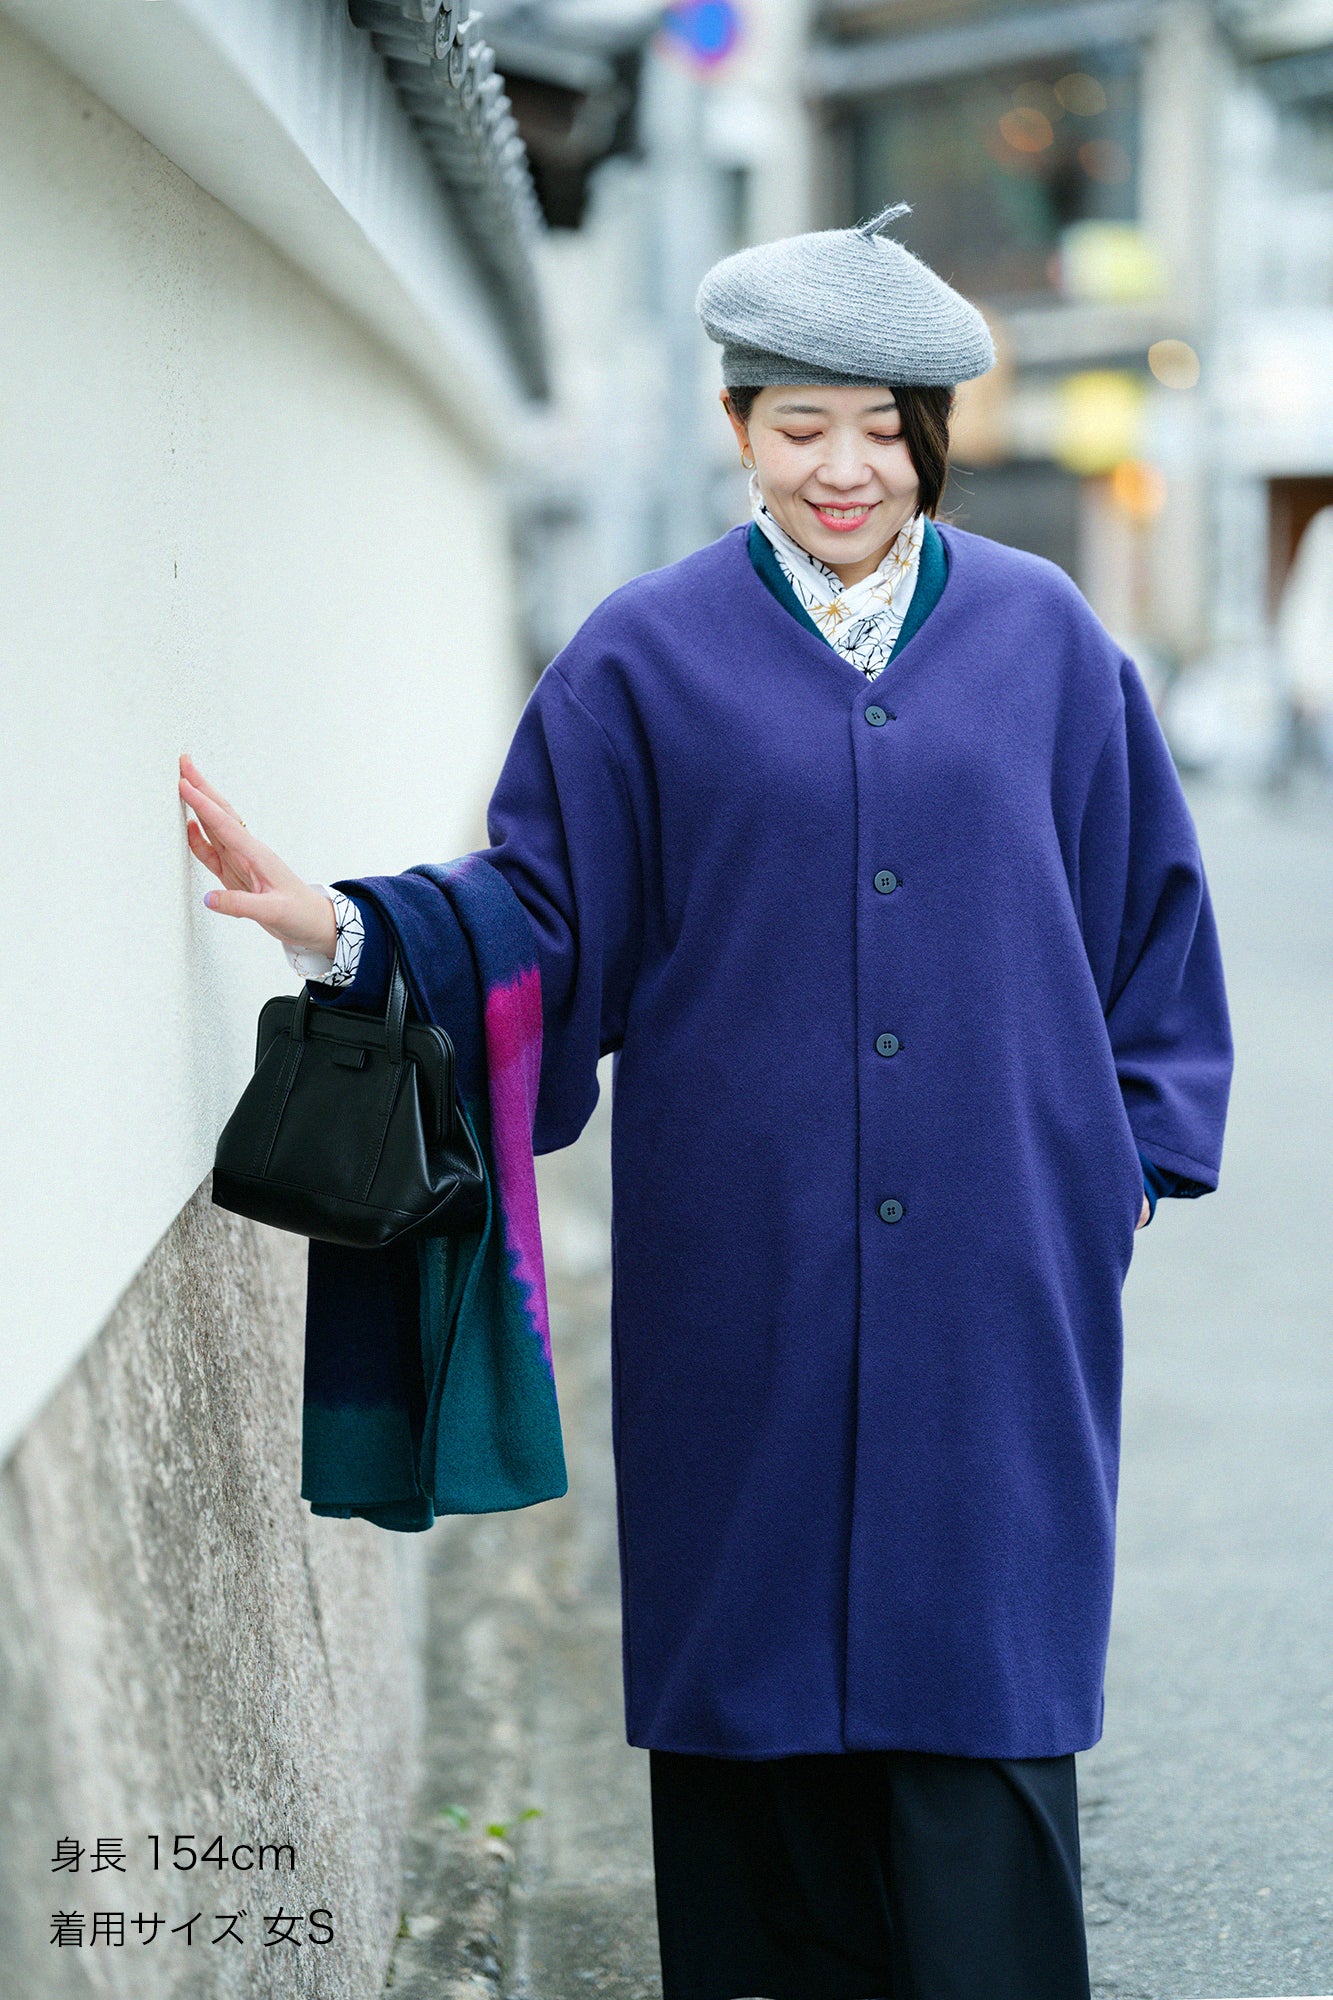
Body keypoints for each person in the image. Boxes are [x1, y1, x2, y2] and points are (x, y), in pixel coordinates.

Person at [178, 205, 1233, 2000]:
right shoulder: (642, 657)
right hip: (738, 1267)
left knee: (982, 1699)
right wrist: (347, 926)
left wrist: (1119, 1164)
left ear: (931, 437)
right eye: (799, 422)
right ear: (737, 425)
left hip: (998, 1278)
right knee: (752, 1704)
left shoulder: (1048, 645)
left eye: (881, 424)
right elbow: (542, 909)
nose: (844, 465)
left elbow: (1150, 915)